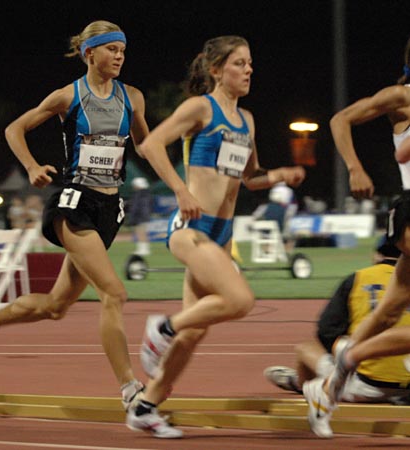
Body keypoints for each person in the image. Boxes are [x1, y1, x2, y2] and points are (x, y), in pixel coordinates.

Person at [0, 20, 150, 412]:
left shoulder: (133, 98)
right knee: (114, 292)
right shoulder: (68, 96)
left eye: (123, 51)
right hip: (75, 203)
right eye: (112, 50)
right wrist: (29, 167)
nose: (119, 57)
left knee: (56, 307)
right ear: (90, 53)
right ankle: (130, 387)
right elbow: (14, 129)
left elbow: (147, 146)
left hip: (110, 209)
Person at [125, 35, 306, 438]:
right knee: (240, 300)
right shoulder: (200, 108)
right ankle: (161, 329)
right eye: (239, 63)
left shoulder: (248, 121)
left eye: (250, 64)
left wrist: (280, 175)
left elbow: (251, 178)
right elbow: (150, 144)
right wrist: (180, 189)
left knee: (195, 332)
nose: (248, 70)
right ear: (216, 69)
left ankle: (145, 407)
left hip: (221, 235)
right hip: (191, 229)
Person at [303, 38, 410, 439]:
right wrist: (354, 168)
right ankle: (352, 360)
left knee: (386, 313)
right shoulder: (400, 96)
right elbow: (339, 119)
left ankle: (329, 387)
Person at [265, 238, 410, 405]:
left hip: (365, 387)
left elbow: (327, 331)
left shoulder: (359, 278)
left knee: (305, 349)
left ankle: (305, 385)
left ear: (377, 254)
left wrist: (341, 360)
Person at [127, 177, 153, 256]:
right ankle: (142, 249)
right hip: (143, 216)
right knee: (140, 233)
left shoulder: (140, 195)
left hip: (141, 216)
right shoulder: (145, 194)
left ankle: (144, 250)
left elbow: (138, 207)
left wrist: (134, 217)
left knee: (141, 233)